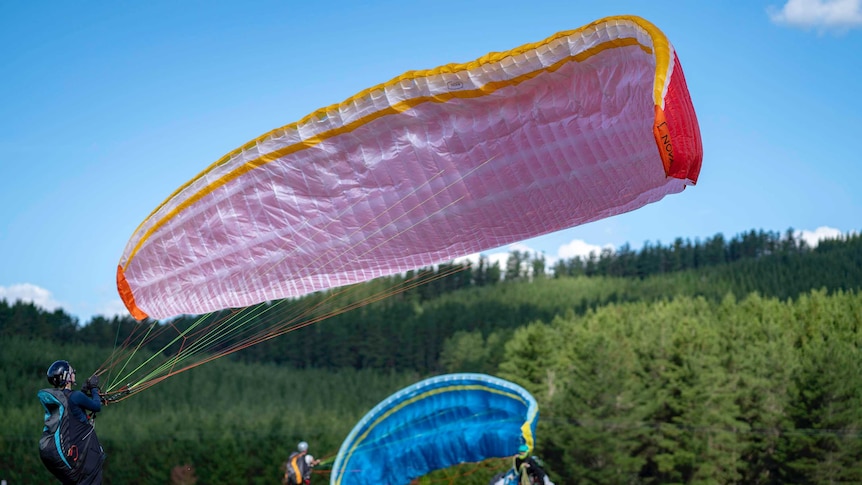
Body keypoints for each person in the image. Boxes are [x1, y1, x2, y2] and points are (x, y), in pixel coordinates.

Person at [38, 360, 106, 485]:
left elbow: (74, 411)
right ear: (66, 377)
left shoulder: (60, 400)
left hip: (70, 461)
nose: (73, 372)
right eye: (71, 371)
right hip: (85, 460)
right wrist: (94, 388)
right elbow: (97, 406)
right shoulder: (75, 396)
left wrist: (85, 391)